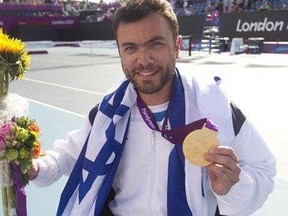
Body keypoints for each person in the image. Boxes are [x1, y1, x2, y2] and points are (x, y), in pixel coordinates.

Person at [27, 0, 276, 215]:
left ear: (177, 46)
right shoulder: (106, 113)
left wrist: (234, 187)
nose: (143, 59)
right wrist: (34, 167)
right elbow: (70, 154)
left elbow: (263, 169)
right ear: (120, 52)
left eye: (155, 44)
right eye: (131, 48)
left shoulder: (215, 107)